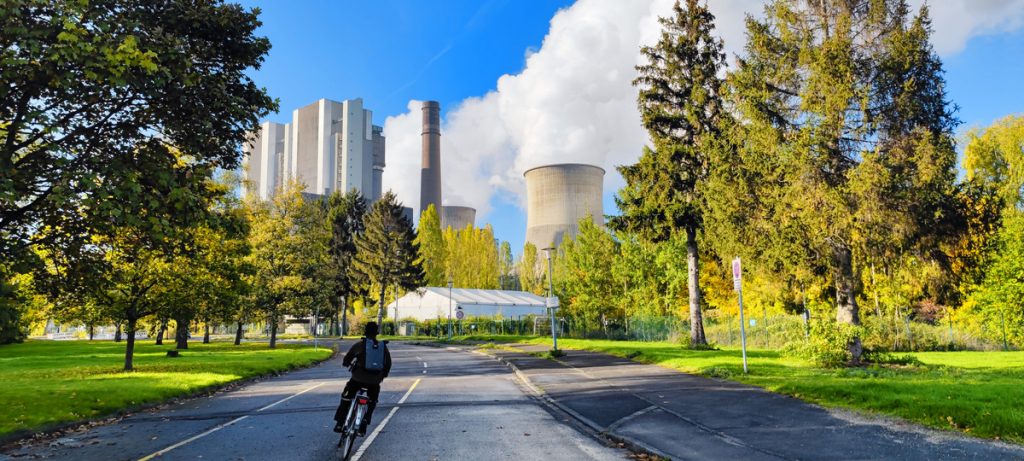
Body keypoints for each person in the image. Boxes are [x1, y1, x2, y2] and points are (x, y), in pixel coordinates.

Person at [333, 322, 392, 435]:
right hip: (374, 381)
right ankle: (365, 421)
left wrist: (347, 364)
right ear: (376, 333)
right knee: (372, 400)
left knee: (346, 397)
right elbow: (388, 364)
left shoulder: (360, 345)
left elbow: (347, 359)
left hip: (357, 379)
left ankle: (340, 423)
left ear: (365, 332)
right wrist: (382, 375)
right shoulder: (383, 347)